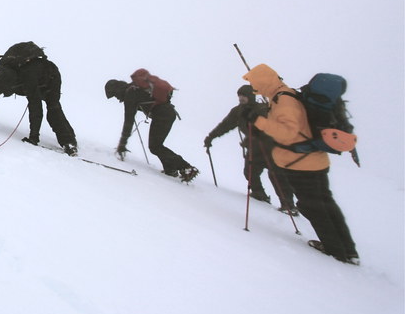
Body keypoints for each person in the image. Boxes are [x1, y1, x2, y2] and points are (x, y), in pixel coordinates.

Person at [242, 63, 359, 265]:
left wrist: (258, 120)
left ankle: (335, 251)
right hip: (313, 161)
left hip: (300, 164)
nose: (253, 88)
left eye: (254, 83)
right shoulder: (286, 95)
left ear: (263, 81)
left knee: (312, 206)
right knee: (326, 204)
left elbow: (288, 133)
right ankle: (348, 250)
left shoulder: (283, 101)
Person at [0, 42, 79, 155]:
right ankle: (69, 141)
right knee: (51, 106)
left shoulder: (26, 75)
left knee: (53, 108)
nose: (4, 92)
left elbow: (35, 106)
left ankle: (69, 143)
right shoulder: (5, 72)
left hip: (50, 77)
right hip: (40, 75)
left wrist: (33, 137)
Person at [203, 85, 298, 215]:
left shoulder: (262, 109)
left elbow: (272, 128)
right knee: (249, 172)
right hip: (254, 148)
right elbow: (225, 126)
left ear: (251, 96)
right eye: (240, 96)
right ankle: (259, 194)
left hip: (271, 148)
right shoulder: (238, 111)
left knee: (276, 176)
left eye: (244, 96)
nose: (241, 98)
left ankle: (288, 206)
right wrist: (211, 137)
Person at [105, 69, 198, 182]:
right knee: (157, 145)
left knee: (155, 146)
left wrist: (122, 144)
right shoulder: (135, 89)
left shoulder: (130, 94)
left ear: (117, 90)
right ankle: (170, 170)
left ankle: (186, 168)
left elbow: (128, 121)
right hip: (168, 113)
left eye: (115, 95)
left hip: (162, 115)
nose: (117, 98)